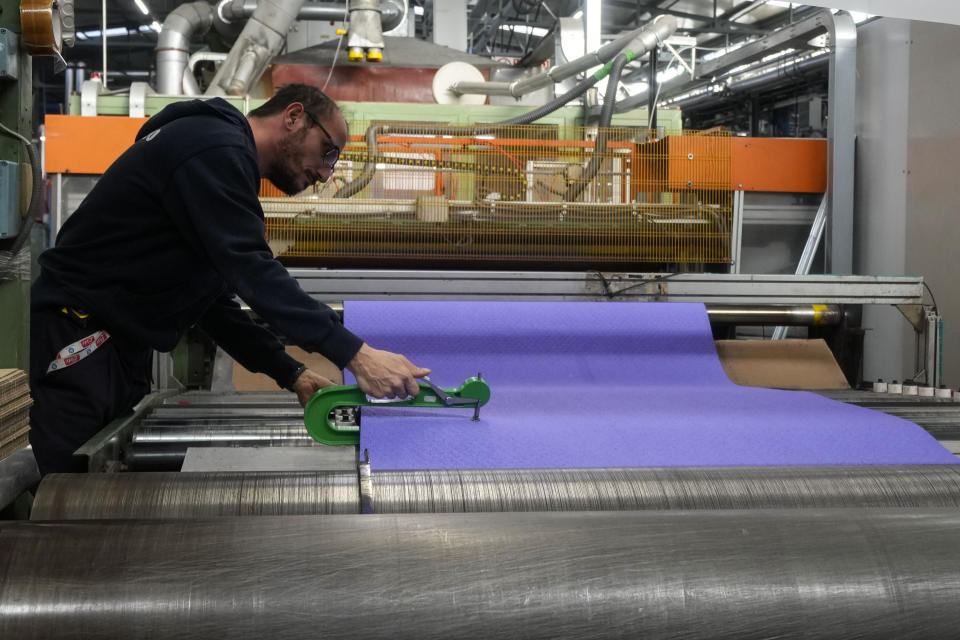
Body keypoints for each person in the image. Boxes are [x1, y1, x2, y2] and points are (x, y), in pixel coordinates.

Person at [29, 83, 429, 475]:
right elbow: (251, 268)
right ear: (293, 117)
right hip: (78, 335)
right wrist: (356, 353)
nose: (326, 174)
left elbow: (213, 302)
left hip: (109, 345)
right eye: (328, 153)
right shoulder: (213, 147)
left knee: (92, 488)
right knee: (61, 494)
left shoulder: (216, 153)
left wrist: (291, 372)